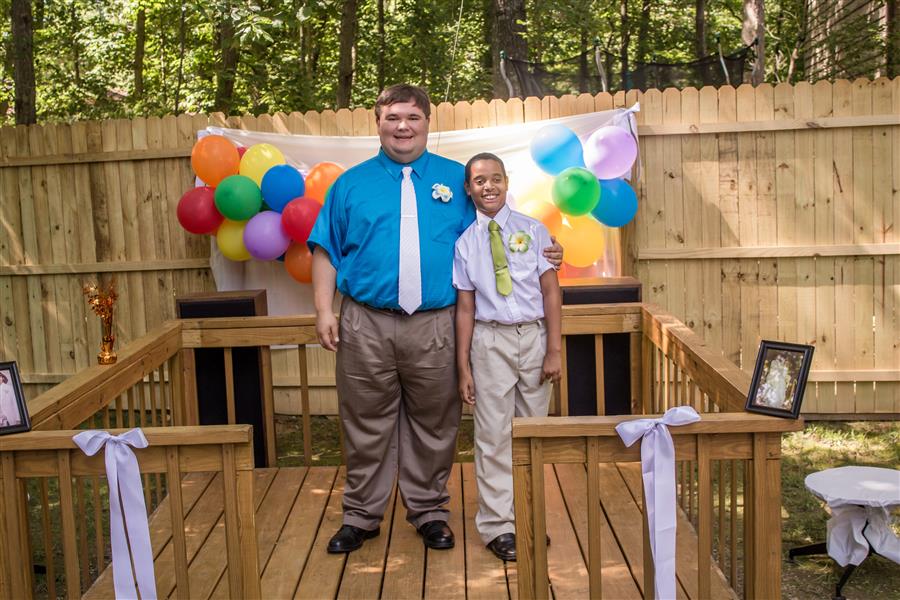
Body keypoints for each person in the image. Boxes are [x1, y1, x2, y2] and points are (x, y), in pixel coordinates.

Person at [308, 84, 563, 554]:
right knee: (364, 421)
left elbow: (501, 231)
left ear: (428, 122)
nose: (402, 126)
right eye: (392, 118)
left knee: (435, 422)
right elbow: (325, 248)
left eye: (412, 117)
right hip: (365, 321)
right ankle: (361, 515)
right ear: (378, 123)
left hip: (436, 322)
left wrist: (547, 248)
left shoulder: (457, 180)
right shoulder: (350, 184)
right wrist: (324, 310)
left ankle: (428, 512)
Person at [453, 153, 561, 562]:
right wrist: (463, 366)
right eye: (480, 181)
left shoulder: (533, 230)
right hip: (489, 340)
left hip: (533, 337)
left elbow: (550, 291)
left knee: (533, 431)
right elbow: (465, 308)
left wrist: (553, 349)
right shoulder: (465, 244)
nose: (489, 186)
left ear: (506, 181)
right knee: (493, 435)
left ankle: (528, 514)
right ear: (469, 189)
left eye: (496, 178)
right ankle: (499, 525)